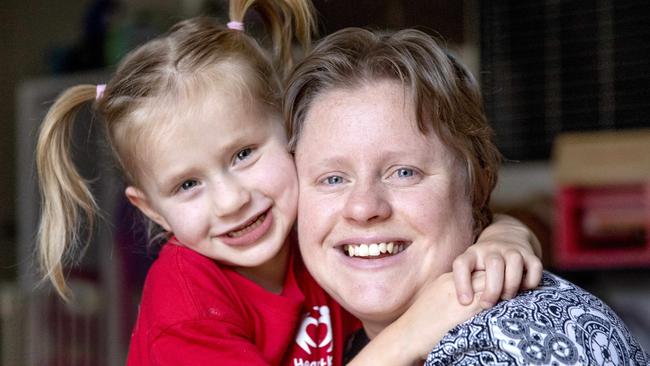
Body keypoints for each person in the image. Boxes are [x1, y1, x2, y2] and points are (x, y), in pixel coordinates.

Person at [35, 2, 542, 364]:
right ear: (152, 211)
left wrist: (505, 235)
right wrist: (413, 332)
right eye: (188, 185)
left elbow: (455, 222)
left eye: (243, 154)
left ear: (293, 137)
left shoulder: (315, 235)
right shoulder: (185, 305)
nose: (233, 200)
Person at [285, 27, 650, 365]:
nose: (363, 207)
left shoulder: (518, 341)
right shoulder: (320, 332)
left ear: (476, 185)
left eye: (404, 172)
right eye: (332, 179)